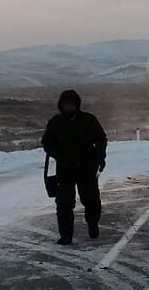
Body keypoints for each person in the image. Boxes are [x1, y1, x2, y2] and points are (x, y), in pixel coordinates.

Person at [42, 88, 107, 244]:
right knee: (64, 203)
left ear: (77, 104)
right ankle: (66, 235)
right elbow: (47, 143)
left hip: (87, 166)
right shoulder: (55, 122)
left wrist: (99, 156)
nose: (69, 107)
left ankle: (92, 223)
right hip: (65, 169)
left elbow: (101, 139)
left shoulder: (89, 120)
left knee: (91, 199)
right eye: (66, 105)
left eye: (72, 104)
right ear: (61, 105)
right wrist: (58, 154)